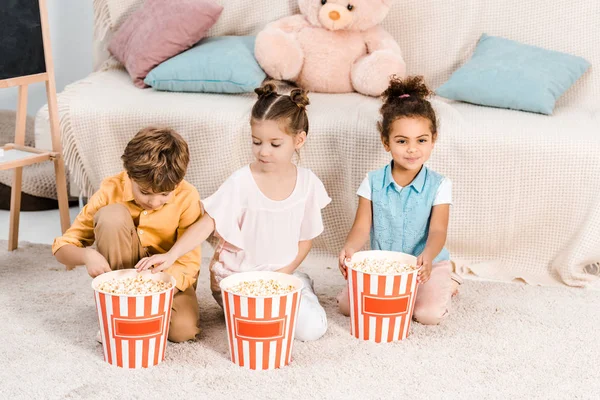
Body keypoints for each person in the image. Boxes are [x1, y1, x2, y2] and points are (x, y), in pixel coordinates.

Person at [137, 83, 330, 341]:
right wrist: (171, 256)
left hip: (281, 274)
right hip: (238, 279)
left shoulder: (308, 183)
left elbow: (306, 239)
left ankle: (299, 284)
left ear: (298, 140)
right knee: (255, 325)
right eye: (256, 142)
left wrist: (285, 273)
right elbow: (206, 224)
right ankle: (293, 291)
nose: (263, 151)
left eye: (275, 144)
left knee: (311, 330)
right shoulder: (241, 182)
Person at [53, 127, 202, 342]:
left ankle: (137, 311)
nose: (154, 202)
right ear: (129, 174)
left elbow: (189, 263)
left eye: (164, 194)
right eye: (145, 192)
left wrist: (157, 283)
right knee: (111, 215)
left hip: (168, 279)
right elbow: (62, 248)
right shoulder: (110, 190)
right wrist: (87, 255)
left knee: (183, 331)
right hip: (123, 278)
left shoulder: (187, 196)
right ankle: (122, 306)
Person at [337, 76, 463, 325]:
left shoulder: (439, 185)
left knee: (427, 315)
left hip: (425, 263)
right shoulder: (372, 182)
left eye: (421, 140)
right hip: (386, 265)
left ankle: (446, 282)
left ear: (433, 140)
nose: (412, 149)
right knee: (346, 307)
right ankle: (408, 292)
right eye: (402, 141)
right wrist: (350, 248)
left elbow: (438, 229)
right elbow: (362, 226)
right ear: (386, 142)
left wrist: (428, 255)